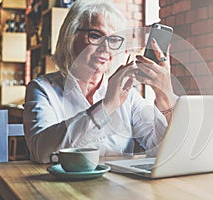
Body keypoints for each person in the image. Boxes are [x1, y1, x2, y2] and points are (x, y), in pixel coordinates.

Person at [23, 0, 178, 163]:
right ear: (71, 36)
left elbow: (160, 149)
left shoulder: (129, 97)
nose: (106, 48)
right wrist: (106, 106)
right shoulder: (42, 89)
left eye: (113, 40)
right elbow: (41, 152)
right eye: (96, 35)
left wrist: (163, 94)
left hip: (117, 186)